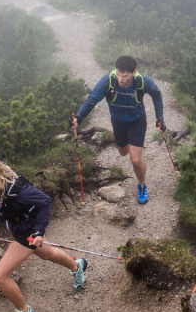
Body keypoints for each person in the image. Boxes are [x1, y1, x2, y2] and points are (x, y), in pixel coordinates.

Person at [0, 154, 88, 312]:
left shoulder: (16, 190)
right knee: (47, 254)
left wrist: (39, 231)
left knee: (0, 277)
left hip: (27, 230)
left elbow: (45, 201)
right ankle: (77, 266)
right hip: (16, 227)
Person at [71, 55, 165, 204]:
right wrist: (79, 117)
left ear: (134, 72)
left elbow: (157, 95)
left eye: (125, 76)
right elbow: (92, 99)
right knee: (123, 152)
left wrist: (159, 119)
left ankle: (141, 185)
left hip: (137, 121)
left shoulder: (142, 81)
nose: (120, 79)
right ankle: (134, 150)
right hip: (118, 122)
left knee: (134, 159)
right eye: (118, 75)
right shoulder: (108, 81)